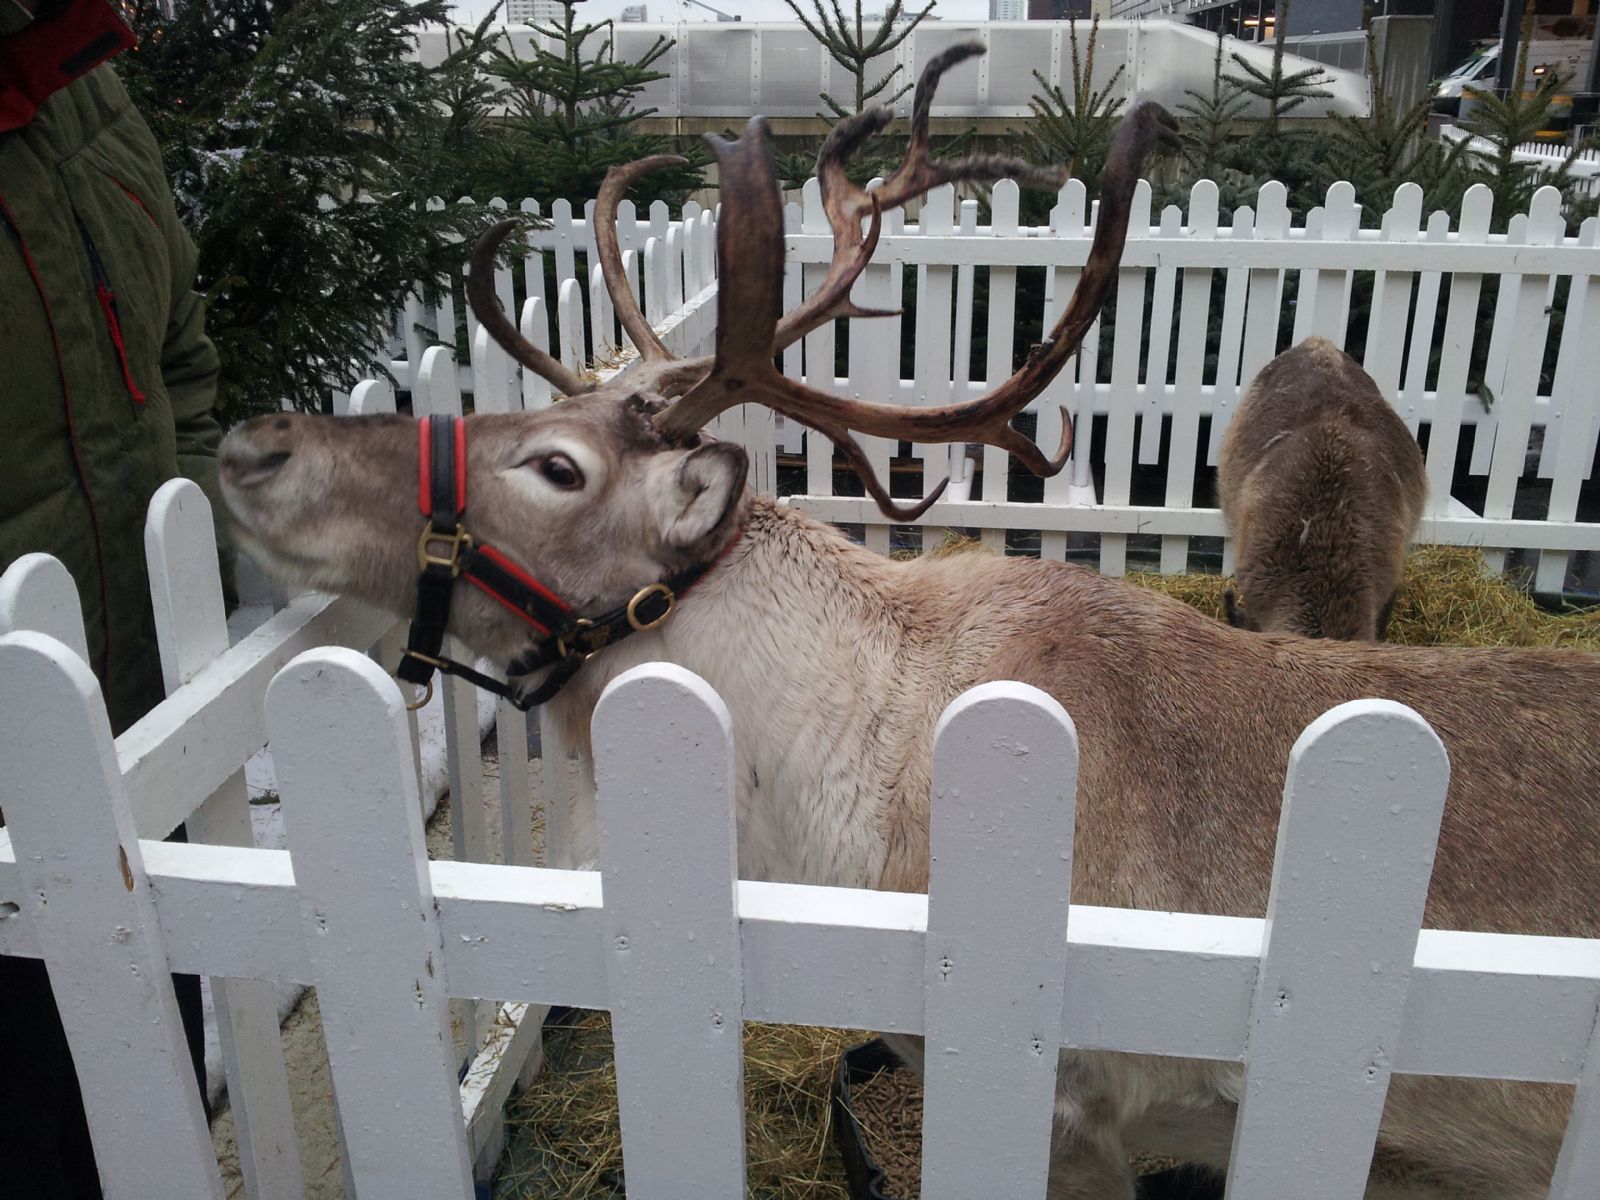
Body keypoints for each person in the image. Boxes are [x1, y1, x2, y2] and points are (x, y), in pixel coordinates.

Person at [0, 0, 236, 1194]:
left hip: (138, 712)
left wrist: (182, 556)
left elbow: (177, 347)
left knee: (145, 1103)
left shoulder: (75, 75)